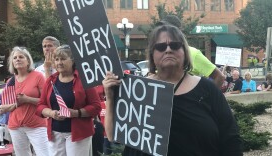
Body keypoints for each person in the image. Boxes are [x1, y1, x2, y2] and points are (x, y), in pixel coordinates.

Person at [103, 25, 243, 155]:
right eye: (161, 46)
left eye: (175, 45)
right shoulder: (138, 91)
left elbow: (231, 138)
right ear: (152, 54)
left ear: (184, 51)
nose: (168, 50)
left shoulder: (208, 89)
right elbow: (113, 135)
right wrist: (110, 97)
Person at [36, 45, 101, 156]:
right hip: (55, 132)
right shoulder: (50, 81)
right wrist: (51, 113)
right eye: (56, 59)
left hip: (78, 133)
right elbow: (41, 106)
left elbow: (96, 106)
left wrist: (76, 113)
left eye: (63, 59)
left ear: (73, 61)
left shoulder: (84, 79)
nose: (59, 62)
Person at [0, 46, 49, 156]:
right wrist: (2, 108)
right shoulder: (11, 81)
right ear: (12, 62)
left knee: (45, 154)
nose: (17, 59)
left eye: (21, 57)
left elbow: (47, 101)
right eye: (15, 57)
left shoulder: (38, 76)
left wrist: (27, 99)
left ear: (28, 61)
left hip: (37, 124)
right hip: (15, 125)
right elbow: (7, 104)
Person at [156, 15, 225, 88]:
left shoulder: (192, 53)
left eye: (167, 29)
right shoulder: (159, 53)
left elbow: (219, 77)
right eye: (161, 29)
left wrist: (206, 98)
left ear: (178, 31)